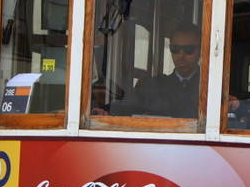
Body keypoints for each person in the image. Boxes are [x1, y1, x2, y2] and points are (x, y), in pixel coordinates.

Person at [96, 24, 238, 119]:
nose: (181, 55)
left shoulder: (214, 88)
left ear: (201, 50)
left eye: (188, 50)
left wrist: (236, 105)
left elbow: (238, 111)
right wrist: (106, 111)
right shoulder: (151, 85)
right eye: (175, 49)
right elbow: (125, 107)